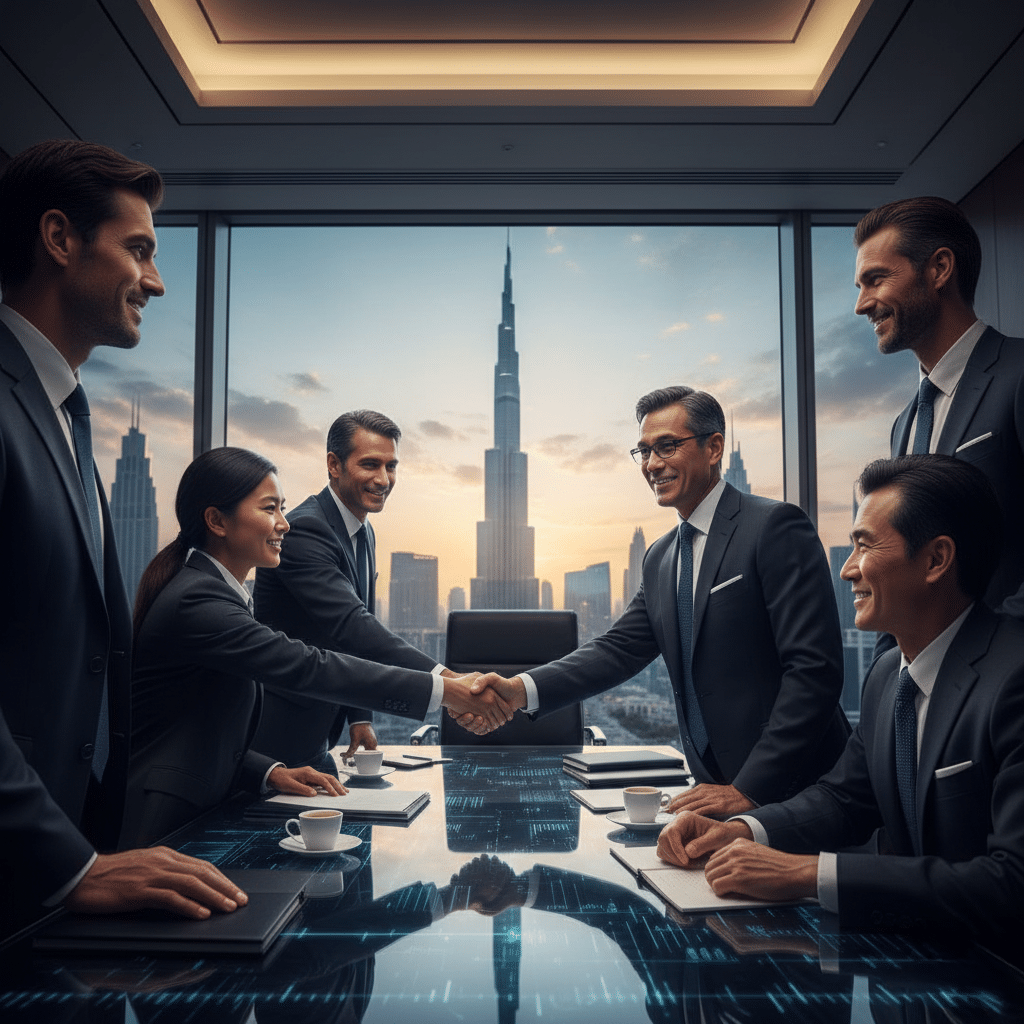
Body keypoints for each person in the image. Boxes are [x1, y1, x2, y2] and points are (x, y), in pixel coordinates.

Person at [0, 139, 247, 932]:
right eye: (138, 249)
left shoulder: (66, 417)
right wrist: (67, 865)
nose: (158, 280)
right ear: (59, 239)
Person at [656, 455, 1024, 953]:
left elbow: (1011, 883)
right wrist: (742, 830)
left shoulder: (1013, 681)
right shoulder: (887, 677)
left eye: (865, 546)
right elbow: (843, 799)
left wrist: (811, 874)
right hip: (914, 961)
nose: (848, 569)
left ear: (936, 560)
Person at [470, 386, 849, 816]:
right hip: (713, 792)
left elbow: (814, 672)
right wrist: (519, 691)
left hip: (797, 793)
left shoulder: (774, 526)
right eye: (644, 451)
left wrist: (749, 788)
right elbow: (618, 650)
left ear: (714, 448)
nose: (652, 464)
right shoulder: (661, 557)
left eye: (667, 446)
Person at [124, 446, 512, 848]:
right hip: (165, 826)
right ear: (217, 521)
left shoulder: (216, 592)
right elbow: (309, 665)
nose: (284, 524)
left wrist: (269, 772)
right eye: (270, 509)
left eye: (282, 508)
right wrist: (446, 690)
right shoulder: (198, 600)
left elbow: (201, 726)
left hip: (199, 808)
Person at [254, 410, 452, 774]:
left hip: (319, 732)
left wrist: (360, 716)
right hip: (275, 739)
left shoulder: (363, 531)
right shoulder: (305, 529)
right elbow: (351, 625)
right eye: (370, 464)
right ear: (334, 465)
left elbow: (352, 631)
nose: (383, 479)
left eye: (391, 466)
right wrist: (446, 680)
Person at [854, 196, 1024, 620]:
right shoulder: (905, 424)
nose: (862, 304)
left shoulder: (1018, 373)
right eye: (860, 287)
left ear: (939, 269)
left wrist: (1000, 646)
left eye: (876, 279)